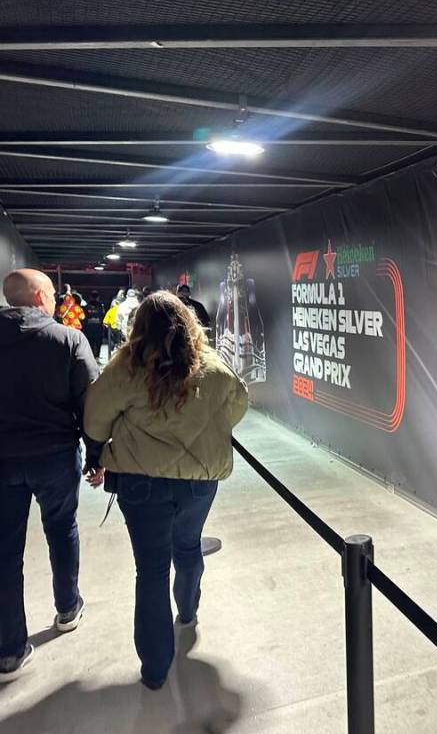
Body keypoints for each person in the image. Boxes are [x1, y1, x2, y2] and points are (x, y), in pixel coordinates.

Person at [85, 292, 248, 690]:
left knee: (152, 571)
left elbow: (94, 418)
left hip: (142, 484)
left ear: (139, 326)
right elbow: (238, 405)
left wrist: (100, 451)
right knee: (188, 546)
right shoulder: (211, 366)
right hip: (199, 481)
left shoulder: (126, 368)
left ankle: (156, 670)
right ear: (189, 322)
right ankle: (188, 612)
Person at [0, 269, 99, 677]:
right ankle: (67, 608)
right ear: (40, 296)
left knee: (5, 551)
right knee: (62, 531)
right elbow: (91, 402)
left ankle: (9, 648)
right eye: (54, 293)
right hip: (56, 455)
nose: (58, 300)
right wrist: (96, 456)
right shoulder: (68, 338)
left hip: (2, 460)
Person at [82, 291, 106, 360]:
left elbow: (84, 318)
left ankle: (91, 357)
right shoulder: (101, 306)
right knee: (98, 343)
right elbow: (103, 316)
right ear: (98, 297)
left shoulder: (86, 306)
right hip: (98, 328)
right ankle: (97, 357)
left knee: (90, 343)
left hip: (89, 328)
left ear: (90, 297)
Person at [104, 288, 125, 355]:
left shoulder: (112, 310)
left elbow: (105, 321)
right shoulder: (121, 308)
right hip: (118, 328)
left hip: (116, 328)